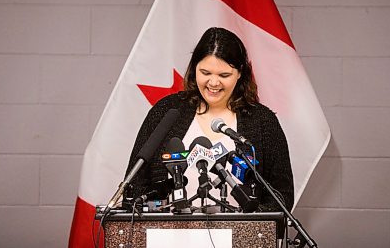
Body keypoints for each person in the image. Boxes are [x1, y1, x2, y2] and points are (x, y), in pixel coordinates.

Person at [123, 27, 294, 211]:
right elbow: (133, 186)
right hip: (168, 234)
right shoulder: (167, 111)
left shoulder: (263, 121)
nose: (213, 83)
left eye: (224, 75)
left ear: (240, 73)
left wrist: (248, 225)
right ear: (194, 69)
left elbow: (282, 196)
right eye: (205, 73)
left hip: (238, 236)